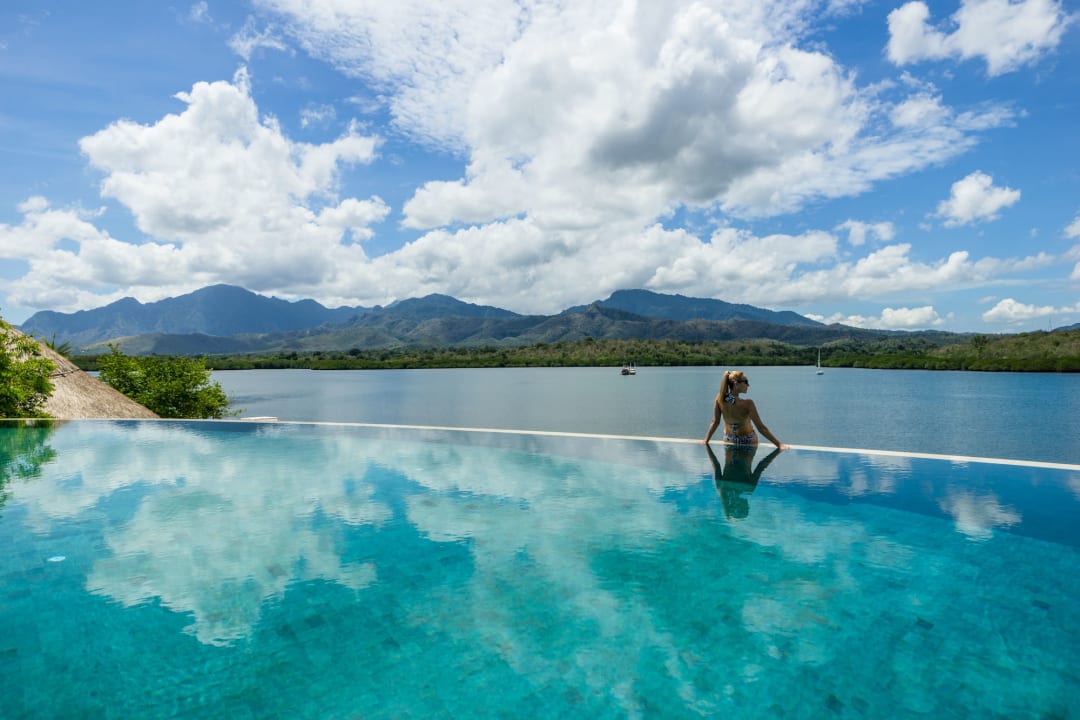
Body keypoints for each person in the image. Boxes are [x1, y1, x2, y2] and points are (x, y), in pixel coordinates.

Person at [702, 370, 785, 449]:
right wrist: (779, 444)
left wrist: (706, 440)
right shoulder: (748, 404)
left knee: (728, 465)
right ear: (736, 383)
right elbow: (761, 428)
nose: (748, 385)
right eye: (746, 382)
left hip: (729, 439)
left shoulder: (720, 398)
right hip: (748, 440)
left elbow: (715, 422)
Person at [707, 443, 781, 520]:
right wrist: (726, 510)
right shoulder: (723, 489)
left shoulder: (748, 489)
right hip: (734, 441)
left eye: (746, 506)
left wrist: (776, 453)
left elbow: (761, 466)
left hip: (746, 444)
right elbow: (716, 465)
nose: (747, 504)